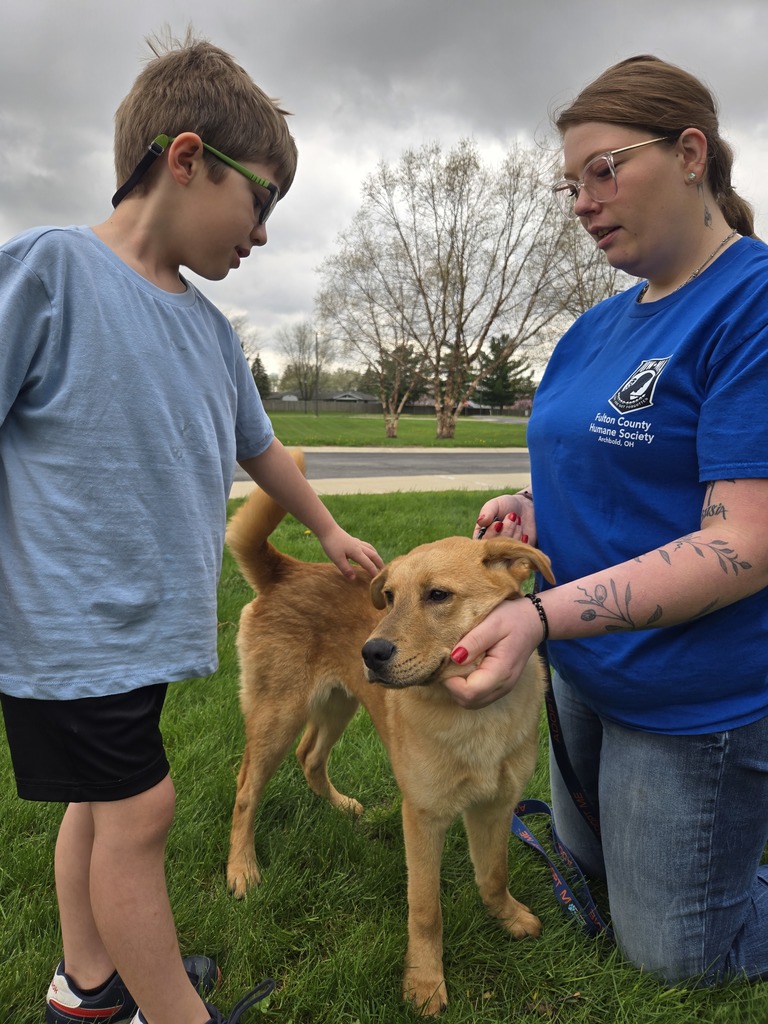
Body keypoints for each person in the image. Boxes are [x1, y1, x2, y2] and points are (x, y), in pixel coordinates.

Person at [0, 30, 382, 1024]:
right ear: (185, 159)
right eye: (260, 200)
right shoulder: (52, 272)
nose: (261, 235)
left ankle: (88, 986)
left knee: (99, 804)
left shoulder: (212, 334)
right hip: (65, 625)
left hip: (142, 630)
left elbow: (262, 452)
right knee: (143, 813)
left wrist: (331, 532)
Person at [443, 55, 768, 986]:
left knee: (676, 953)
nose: (583, 200)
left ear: (692, 154)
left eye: (605, 169)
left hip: (688, 693)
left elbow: (743, 543)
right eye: (570, 183)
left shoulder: (752, 303)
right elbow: (606, 463)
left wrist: (538, 614)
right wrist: (532, 503)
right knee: (592, 882)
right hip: (582, 673)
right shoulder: (595, 327)